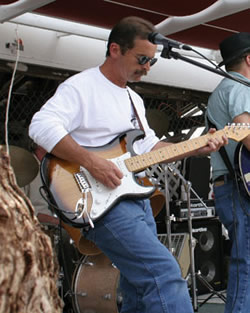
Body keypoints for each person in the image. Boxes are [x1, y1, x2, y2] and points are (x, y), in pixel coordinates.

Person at [29, 16, 227, 313]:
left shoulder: (133, 98)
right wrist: (92, 163)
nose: (147, 67)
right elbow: (40, 126)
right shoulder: (81, 86)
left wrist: (195, 148)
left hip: (135, 197)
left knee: (136, 287)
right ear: (115, 50)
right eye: (142, 58)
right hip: (99, 200)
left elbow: (148, 148)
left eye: (153, 62)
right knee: (165, 273)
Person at [206, 32, 250, 313]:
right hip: (238, 188)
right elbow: (248, 136)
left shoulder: (223, 89)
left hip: (231, 186)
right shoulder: (240, 88)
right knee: (246, 262)